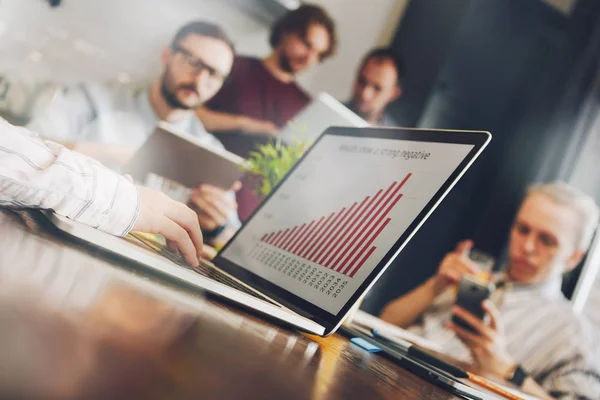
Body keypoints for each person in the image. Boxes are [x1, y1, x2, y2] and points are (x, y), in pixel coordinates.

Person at [27, 21, 240, 249]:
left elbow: (231, 242)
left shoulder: (212, 154)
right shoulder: (93, 100)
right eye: (192, 62)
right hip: (55, 241)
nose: (199, 80)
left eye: (214, 74)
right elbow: (24, 148)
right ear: (167, 55)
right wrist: (108, 153)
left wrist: (213, 227)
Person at [380, 182, 600, 399]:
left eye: (546, 240)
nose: (527, 247)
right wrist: (435, 285)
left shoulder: (574, 334)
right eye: (523, 230)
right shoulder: (472, 280)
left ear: (573, 258)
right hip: (383, 374)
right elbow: (385, 322)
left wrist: (508, 371)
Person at [0, 117, 204, 267]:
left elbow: (22, 140)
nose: (201, 79)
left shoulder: (205, 140)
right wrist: (121, 198)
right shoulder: (91, 98)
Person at [196, 4, 337, 148]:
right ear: (286, 32)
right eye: (307, 45)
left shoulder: (306, 106)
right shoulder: (235, 66)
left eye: (318, 54)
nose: (309, 59)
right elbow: (191, 115)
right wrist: (244, 124)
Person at [345, 48, 403, 126]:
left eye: (377, 88)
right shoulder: (325, 113)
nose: (365, 95)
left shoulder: (394, 137)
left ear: (394, 94)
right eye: (362, 81)